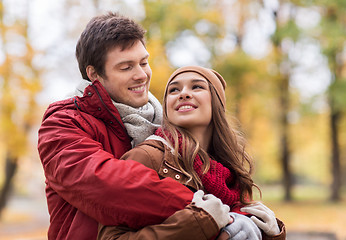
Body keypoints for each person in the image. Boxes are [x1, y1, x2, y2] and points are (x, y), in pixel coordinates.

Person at [37, 13, 232, 240]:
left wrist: (244, 217)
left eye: (143, 62)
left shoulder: (164, 126)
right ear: (94, 75)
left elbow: (218, 180)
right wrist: (200, 205)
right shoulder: (63, 124)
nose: (141, 75)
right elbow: (107, 186)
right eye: (126, 67)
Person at [97, 66, 286, 240]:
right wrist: (199, 223)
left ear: (216, 103)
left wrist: (271, 235)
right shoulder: (146, 157)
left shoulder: (232, 172)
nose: (183, 94)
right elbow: (110, 237)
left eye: (197, 87)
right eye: (174, 90)